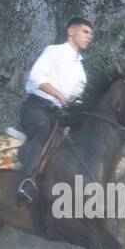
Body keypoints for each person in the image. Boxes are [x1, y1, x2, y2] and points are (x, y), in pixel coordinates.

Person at [16, 17, 92, 204]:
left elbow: (79, 99)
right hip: (37, 107)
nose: (89, 36)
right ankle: (26, 181)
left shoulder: (81, 69)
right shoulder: (54, 51)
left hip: (60, 115)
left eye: (91, 34)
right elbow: (35, 77)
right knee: (45, 132)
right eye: (85, 31)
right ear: (71, 31)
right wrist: (59, 96)